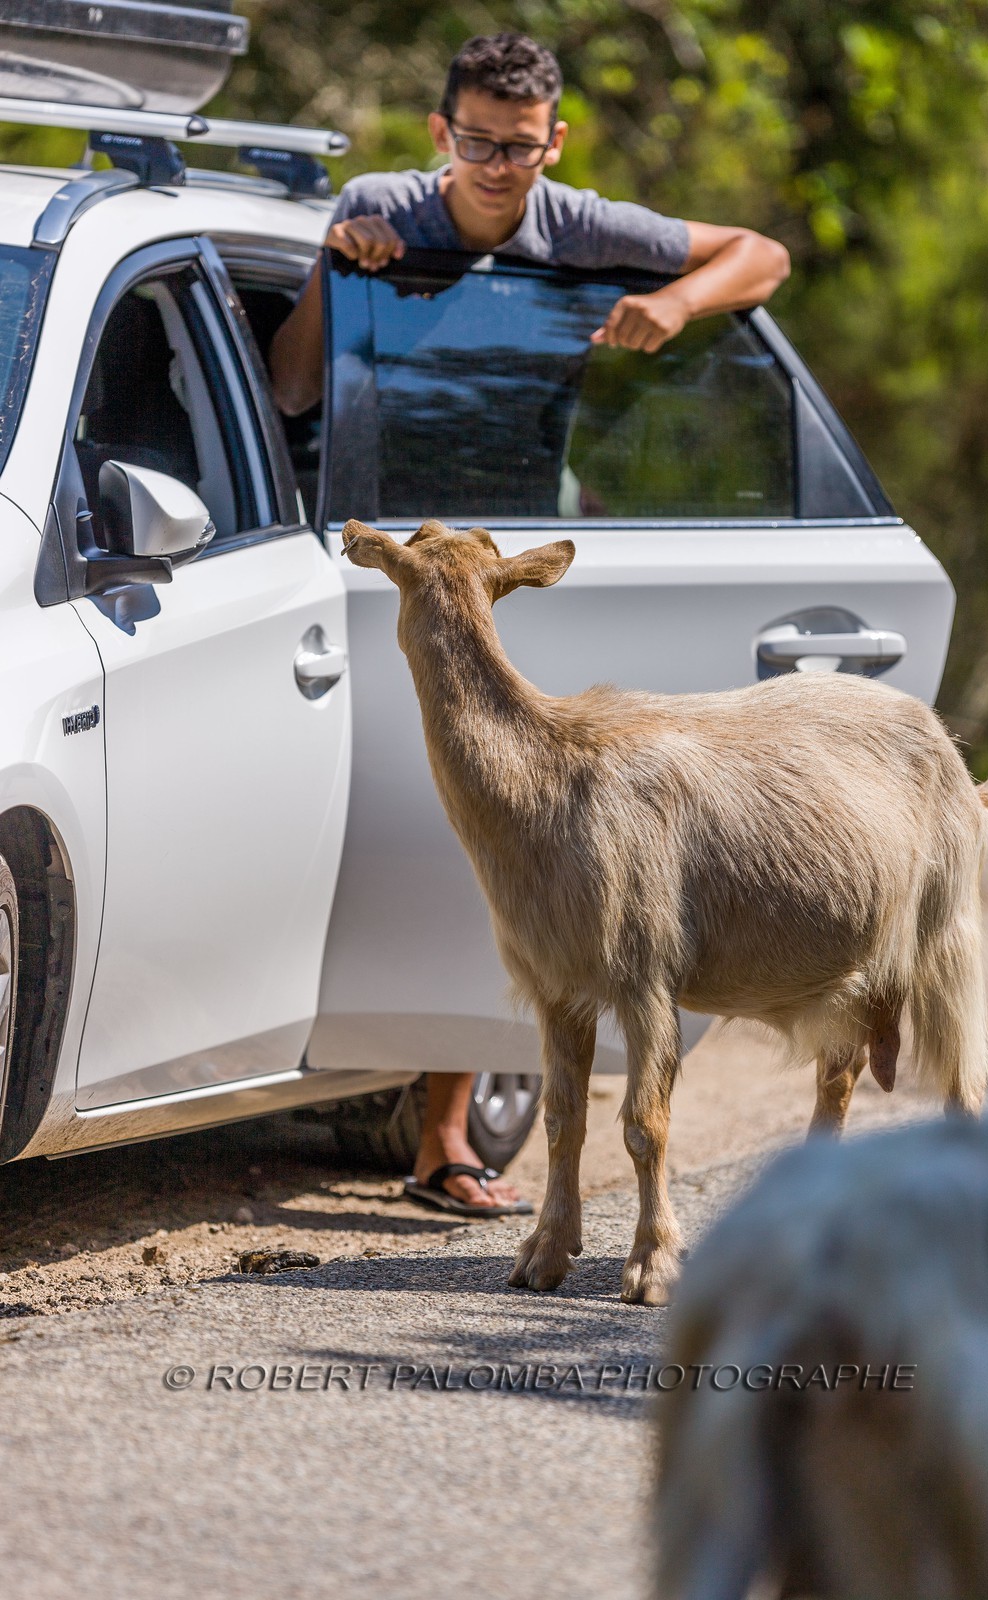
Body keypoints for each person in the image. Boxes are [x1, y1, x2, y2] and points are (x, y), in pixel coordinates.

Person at [270, 32, 790, 1216]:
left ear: (554, 143)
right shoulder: (376, 207)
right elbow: (292, 387)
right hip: (386, 556)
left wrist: (672, 302)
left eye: (518, 146)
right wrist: (334, 267)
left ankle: (444, 1135)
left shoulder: (582, 226)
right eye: (475, 142)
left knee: (509, 844)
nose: (496, 166)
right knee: (393, 836)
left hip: (503, 567)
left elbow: (760, 255)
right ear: (440, 134)